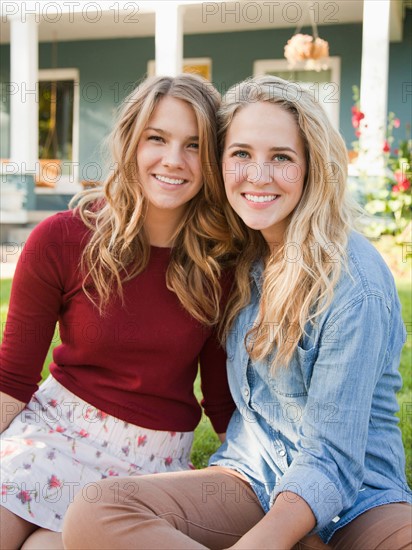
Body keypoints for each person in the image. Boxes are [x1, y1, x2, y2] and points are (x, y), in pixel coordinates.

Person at [62, 75, 412, 550]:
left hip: (359, 501)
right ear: (220, 164)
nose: (258, 175)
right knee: (98, 510)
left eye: (282, 158)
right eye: (241, 154)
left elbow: (331, 458)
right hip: (252, 481)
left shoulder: (354, 282)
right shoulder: (237, 260)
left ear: (313, 167)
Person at [0, 73, 237, 550]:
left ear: (211, 160)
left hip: (146, 462)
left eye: (194, 145)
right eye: (158, 138)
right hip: (51, 433)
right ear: (131, 140)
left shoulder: (221, 266)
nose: (174, 160)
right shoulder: (61, 239)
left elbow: (222, 402)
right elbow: (11, 379)